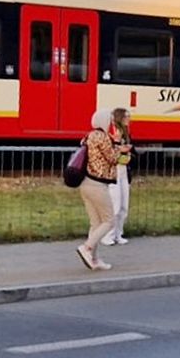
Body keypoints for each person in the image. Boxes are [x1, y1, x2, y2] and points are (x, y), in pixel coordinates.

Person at [76, 110, 120, 271]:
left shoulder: (89, 136)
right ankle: (87, 248)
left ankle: (94, 259)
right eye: (109, 120)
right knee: (109, 221)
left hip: (85, 183)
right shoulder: (102, 136)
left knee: (95, 224)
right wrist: (121, 149)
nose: (110, 123)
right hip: (97, 185)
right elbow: (113, 159)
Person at [102, 108, 133, 246]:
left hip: (124, 169)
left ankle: (118, 233)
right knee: (115, 204)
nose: (129, 119)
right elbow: (107, 150)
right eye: (127, 116)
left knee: (123, 205)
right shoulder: (111, 132)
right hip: (114, 170)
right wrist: (120, 148)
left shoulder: (126, 133)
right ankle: (107, 235)